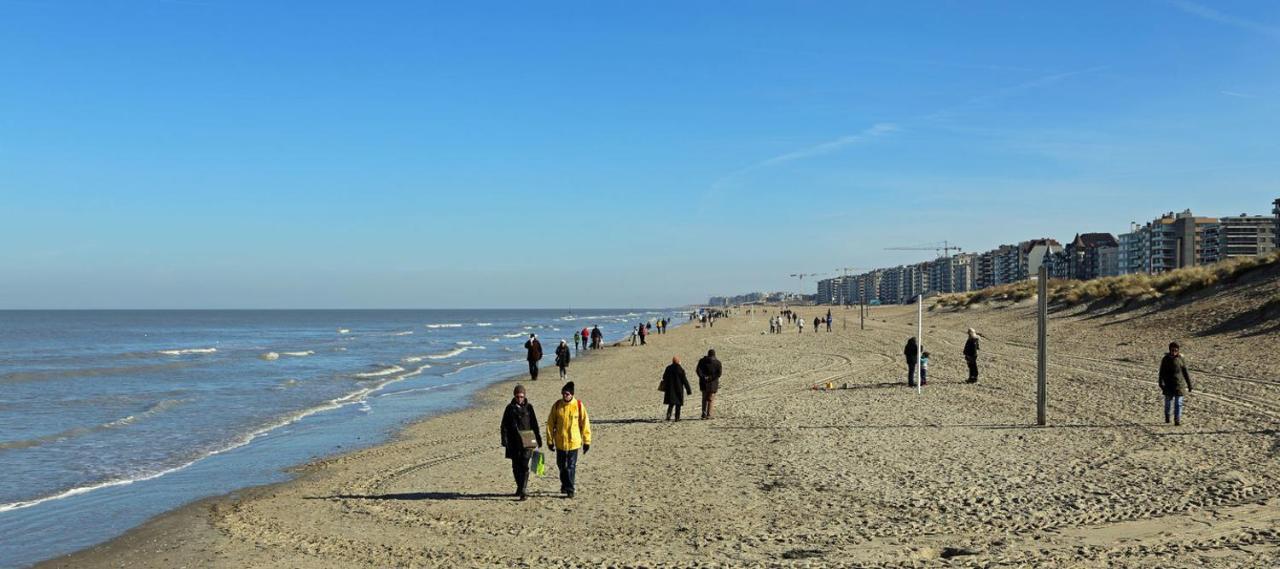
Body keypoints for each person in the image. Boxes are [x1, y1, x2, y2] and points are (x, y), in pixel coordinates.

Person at [546, 381, 591, 498]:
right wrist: (550, 441)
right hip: (560, 442)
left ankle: (570, 489)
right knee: (561, 466)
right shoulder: (557, 406)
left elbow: (585, 424)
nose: (565, 396)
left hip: (574, 442)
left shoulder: (579, 405)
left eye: (567, 394)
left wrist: (587, 441)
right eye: (564, 394)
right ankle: (565, 485)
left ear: (572, 394)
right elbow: (550, 424)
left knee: (571, 466)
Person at [499, 384, 542, 500]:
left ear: (525, 396)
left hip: (528, 438)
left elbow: (534, 424)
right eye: (518, 396)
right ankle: (519, 487)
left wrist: (538, 439)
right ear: (514, 396)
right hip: (513, 441)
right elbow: (504, 426)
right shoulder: (509, 408)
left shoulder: (529, 408)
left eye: (521, 396)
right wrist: (504, 440)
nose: (519, 399)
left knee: (524, 465)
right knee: (515, 466)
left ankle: (523, 490)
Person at [1158, 342, 1194, 426]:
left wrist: (1189, 384)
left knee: (1178, 403)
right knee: (1168, 403)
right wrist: (1160, 383)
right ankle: (1167, 416)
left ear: (1178, 351)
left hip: (1179, 384)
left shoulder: (1181, 359)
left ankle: (1177, 419)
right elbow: (1161, 372)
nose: (1174, 351)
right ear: (1169, 350)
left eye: (1176, 350)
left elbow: (1185, 372)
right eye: (1172, 350)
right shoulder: (1165, 359)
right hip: (1168, 385)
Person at [660, 356, 693, 421]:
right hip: (678, 389)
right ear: (678, 362)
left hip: (670, 389)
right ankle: (677, 417)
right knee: (678, 404)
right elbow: (684, 380)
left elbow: (664, 377)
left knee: (671, 404)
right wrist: (688, 390)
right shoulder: (680, 369)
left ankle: (668, 416)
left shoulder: (668, 368)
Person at [696, 349, 722, 419]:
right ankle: (709, 414)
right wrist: (711, 378)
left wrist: (704, 377)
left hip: (703, 383)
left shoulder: (702, 361)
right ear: (714, 355)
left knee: (704, 399)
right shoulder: (718, 363)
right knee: (711, 399)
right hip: (713, 384)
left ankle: (703, 414)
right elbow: (719, 374)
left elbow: (698, 371)